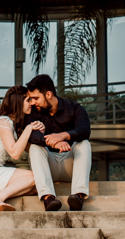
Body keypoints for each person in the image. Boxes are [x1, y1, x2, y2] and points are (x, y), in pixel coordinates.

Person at [24, 73, 92, 212]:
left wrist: (62, 136)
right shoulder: (34, 112)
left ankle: (78, 196)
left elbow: (85, 130)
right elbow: (31, 135)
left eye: (35, 98)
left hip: (71, 165)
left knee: (84, 143)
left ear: (48, 95)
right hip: (48, 166)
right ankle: (48, 198)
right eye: (30, 99)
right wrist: (53, 142)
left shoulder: (74, 108)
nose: (32, 102)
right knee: (35, 147)